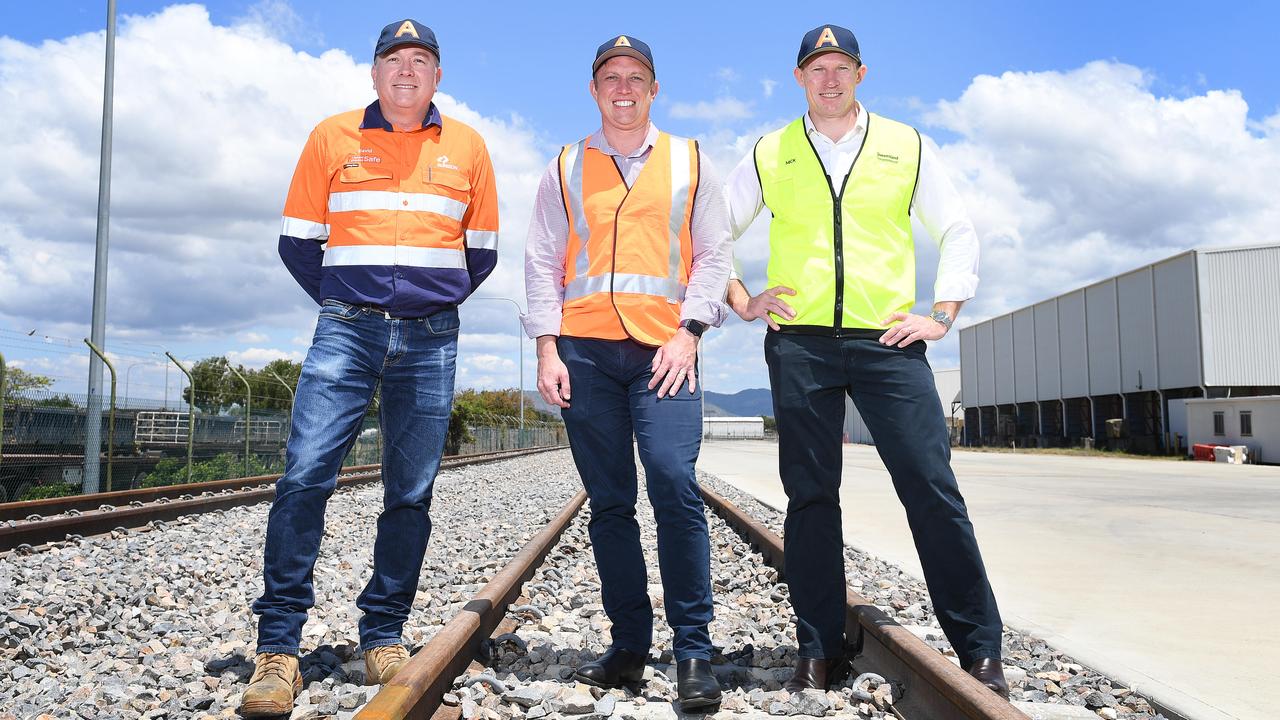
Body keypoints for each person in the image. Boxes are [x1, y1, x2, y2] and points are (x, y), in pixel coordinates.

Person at [723, 24, 1008, 697]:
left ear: (860, 74)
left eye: (841, 67)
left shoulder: (905, 145)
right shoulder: (772, 150)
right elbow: (709, 229)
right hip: (802, 343)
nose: (829, 79)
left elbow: (957, 229)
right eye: (817, 68)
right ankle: (817, 649)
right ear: (799, 78)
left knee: (931, 486)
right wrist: (741, 295)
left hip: (890, 342)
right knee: (812, 497)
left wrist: (940, 316)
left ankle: (980, 649)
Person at [240, 19, 499, 717]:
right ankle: (278, 650)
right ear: (374, 73)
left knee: (410, 491)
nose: (407, 70)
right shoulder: (332, 138)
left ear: (437, 75)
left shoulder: (469, 147)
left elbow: (481, 252)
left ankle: (382, 633)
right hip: (345, 332)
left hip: (431, 338)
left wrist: (425, 300)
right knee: (303, 476)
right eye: (394, 59)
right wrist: (349, 298)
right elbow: (299, 242)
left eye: (421, 60)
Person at [523, 34, 730, 712]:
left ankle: (694, 653)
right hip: (584, 354)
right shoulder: (563, 165)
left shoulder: (691, 160)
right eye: (610, 77)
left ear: (653, 88)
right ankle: (630, 648)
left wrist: (689, 332)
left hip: (663, 353)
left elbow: (712, 256)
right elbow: (542, 260)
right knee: (610, 501)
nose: (623, 87)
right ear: (594, 89)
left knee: (673, 483)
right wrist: (547, 349)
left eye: (635, 76)